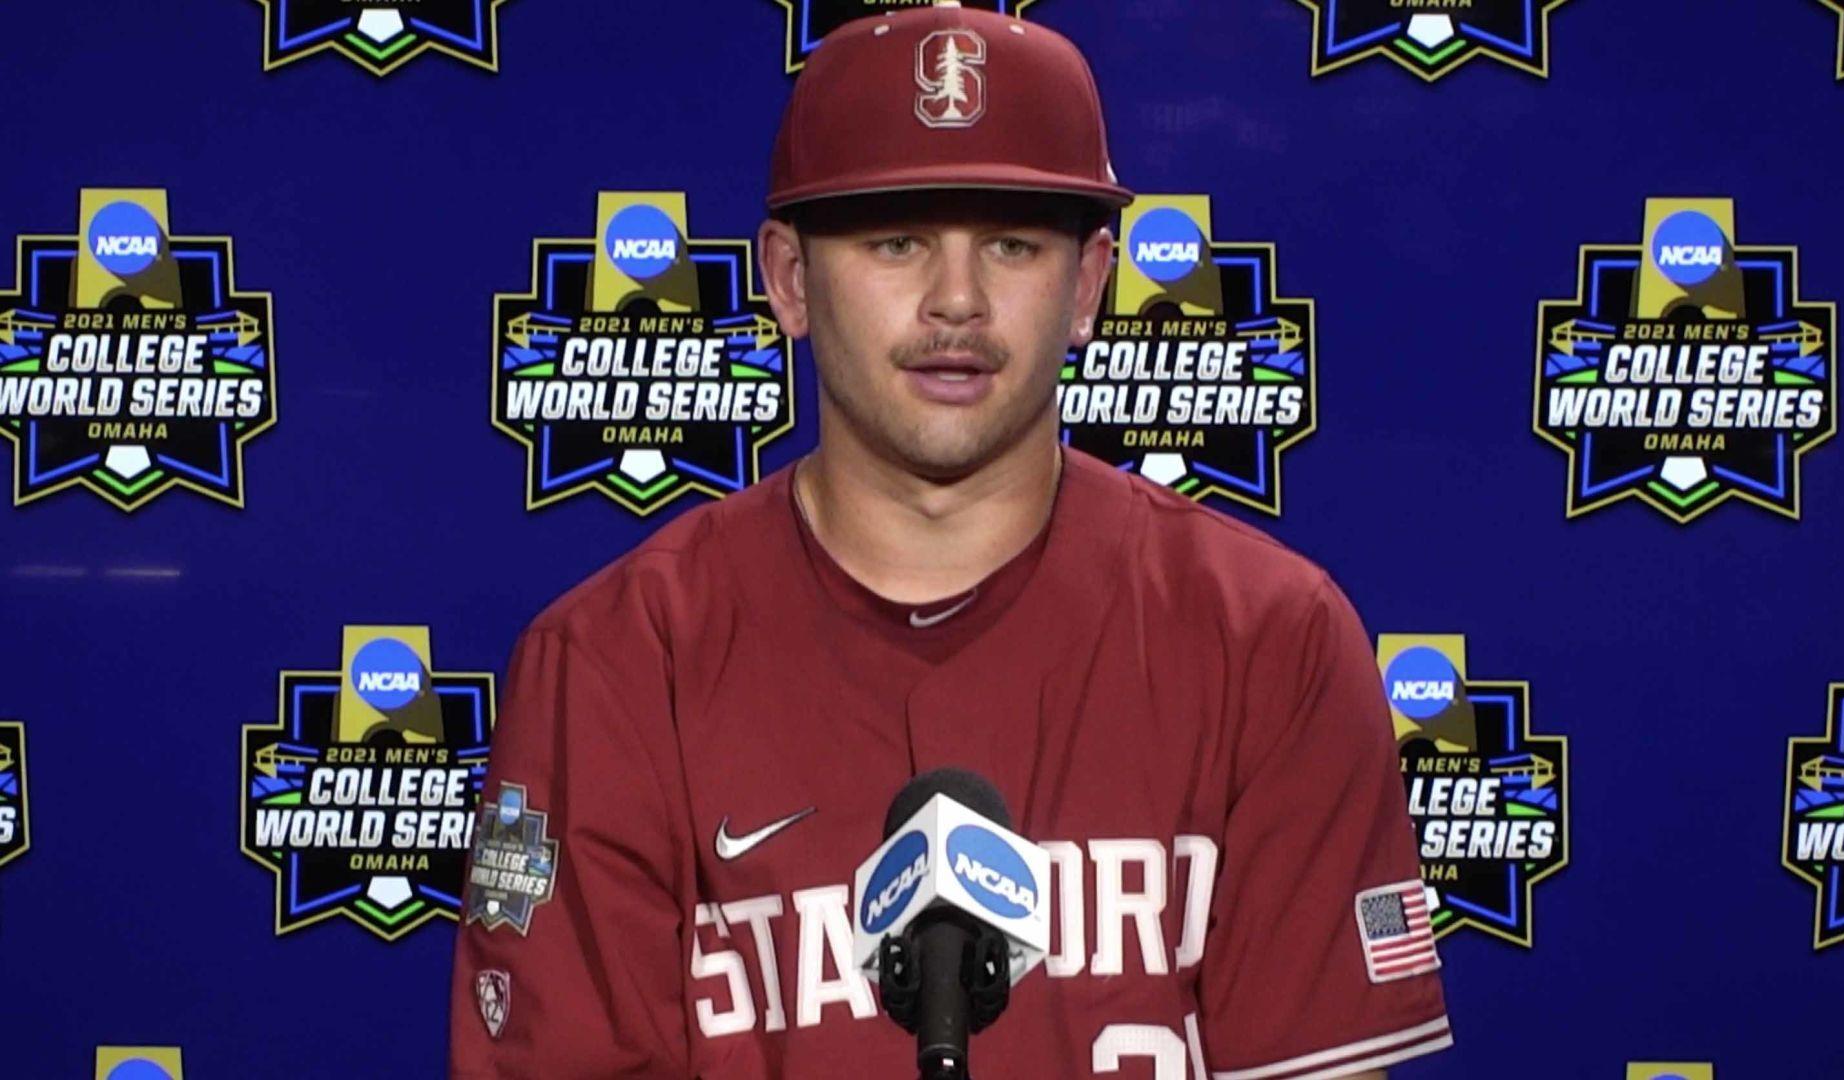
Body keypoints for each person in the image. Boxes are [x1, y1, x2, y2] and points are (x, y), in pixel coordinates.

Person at [449, 3, 1448, 1077]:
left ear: (1086, 286)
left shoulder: (1270, 639)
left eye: (1011, 245)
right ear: (787, 279)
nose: (957, 301)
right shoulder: (614, 663)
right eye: (896, 241)